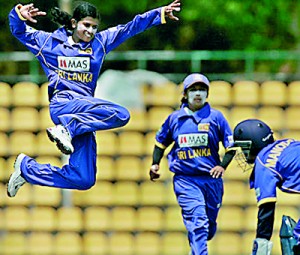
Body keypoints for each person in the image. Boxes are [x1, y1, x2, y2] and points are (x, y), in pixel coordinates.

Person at [7, 0, 181, 197]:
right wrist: (18, 14)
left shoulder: (100, 42)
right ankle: (67, 128)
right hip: (63, 106)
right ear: (73, 23)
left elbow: (130, 27)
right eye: (86, 25)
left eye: (94, 26)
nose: (90, 31)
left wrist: (159, 14)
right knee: (121, 113)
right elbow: (18, 31)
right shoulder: (49, 43)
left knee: (83, 178)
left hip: (84, 114)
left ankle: (28, 169)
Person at [149, 73, 236, 255]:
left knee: (208, 226)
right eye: (193, 89)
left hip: (212, 180)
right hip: (185, 180)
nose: (198, 93)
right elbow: (160, 143)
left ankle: (197, 246)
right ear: (185, 94)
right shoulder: (175, 119)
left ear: (207, 94)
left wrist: (222, 166)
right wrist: (155, 164)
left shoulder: (216, 118)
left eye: (202, 89)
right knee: (198, 220)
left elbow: (231, 146)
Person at [233, 118, 300, 255]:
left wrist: (261, 245)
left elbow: (266, 207)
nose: (242, 153)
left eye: (243, 148)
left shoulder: (263, 162)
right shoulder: (287, 143)